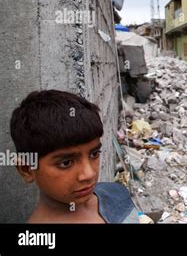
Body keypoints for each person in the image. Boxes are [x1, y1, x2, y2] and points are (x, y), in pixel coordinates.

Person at [10, 90, 140, 223]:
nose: (89, 174)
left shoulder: (114, 192)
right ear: (26, 169)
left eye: (94, 154)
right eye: (66, 163)